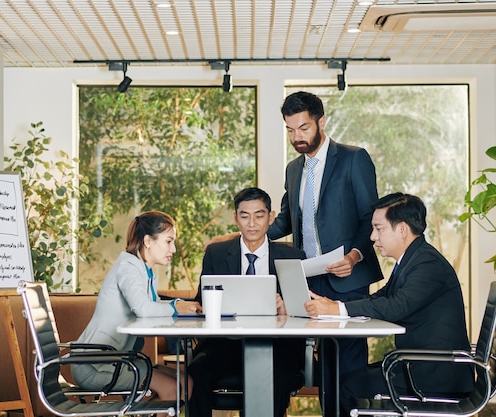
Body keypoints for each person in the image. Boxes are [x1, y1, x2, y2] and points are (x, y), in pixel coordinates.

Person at [304, 192, 474, 416]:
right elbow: (379, 298)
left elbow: (395, 307)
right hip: (417, 365)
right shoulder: (413, 259)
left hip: (434, 374)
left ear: (402, 229)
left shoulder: (427, 264)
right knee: (346, 381)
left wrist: (336, 309)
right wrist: (334, 305)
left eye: (379, 228)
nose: (372, 237)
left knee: (346, 388)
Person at [268, 91, 383, 413]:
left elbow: (369, 217)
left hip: (348, 276)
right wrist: (245, 233)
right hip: (308, 278)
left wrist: (354, 256)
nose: (297, 137)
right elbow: (286, 221)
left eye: (303, 128)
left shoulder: (353, 158)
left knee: (347, 361)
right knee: (315, 364)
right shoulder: (294, 169)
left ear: (321, 121)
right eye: (290, 130)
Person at [188, 187, 307, 417]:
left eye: (259, 215)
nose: (252, 223)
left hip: (278, 346)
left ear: (270, 217)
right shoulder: (216, 254)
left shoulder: (292, 256)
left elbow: (305, 311)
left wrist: (286, 308)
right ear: (235, 218)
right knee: (196, 373)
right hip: (225, 343)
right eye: (245, 216)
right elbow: (202, 302)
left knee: (279, 377)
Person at [71, 211, 201, 405]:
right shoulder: (128, 268)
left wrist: (180, 306)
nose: (173, 249)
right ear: (148, 241)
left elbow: (151, 306)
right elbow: (144, 309)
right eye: (168, 241)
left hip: (119, 360)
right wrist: (176, 307)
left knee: (187, 382)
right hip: (94, 365)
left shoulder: (145, 270)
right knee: (174, 389)